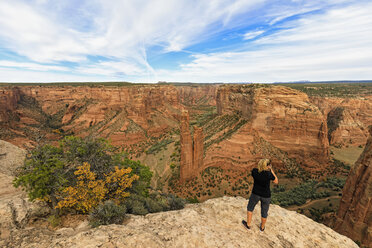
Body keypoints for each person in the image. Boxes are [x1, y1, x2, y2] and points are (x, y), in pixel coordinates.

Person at [242, 158, 278, 231]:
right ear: (268, 166)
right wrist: (271, 170)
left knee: (250, 208)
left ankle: (248, 225)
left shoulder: (255, 171)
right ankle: (262, 227)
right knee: (264, 212)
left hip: (255, 193)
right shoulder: (268, 174)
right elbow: (276, 181)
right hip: (266, 196)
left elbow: (256, 172)